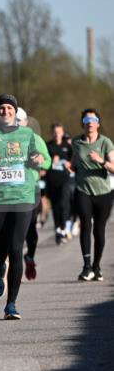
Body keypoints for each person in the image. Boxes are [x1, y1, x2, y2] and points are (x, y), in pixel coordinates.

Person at [0, 94, 50, 319]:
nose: (5, 111)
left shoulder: (27, 134)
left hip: (23, 197)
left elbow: (44, 159)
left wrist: (38, 161)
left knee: (16, 250)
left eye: (9, 108)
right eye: (2, 108)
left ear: (15, 111)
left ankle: (11, 304)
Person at [69, 109, 114, 281]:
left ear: (98, 123)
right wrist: (70, 167)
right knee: (85, 226)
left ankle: (97, 266)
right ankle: (86, 267)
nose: (89, 122)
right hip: (83, 190)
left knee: (99, 230)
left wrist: (101, 161)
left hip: (103, 192)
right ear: (82, 123)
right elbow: (74, 162)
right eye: (86, 119)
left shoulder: (105, 143)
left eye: (93, 119)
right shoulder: (76, 142)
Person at [15, 107, 43, 281]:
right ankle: (11, 269)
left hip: (31, 191)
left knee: (30, 230)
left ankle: (30, 256)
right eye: (14, 120)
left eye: (20, 120)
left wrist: (39, 160)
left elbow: (46, 160)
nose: (17, 123)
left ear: (26, 122)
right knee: (13, 232)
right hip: (10, 193)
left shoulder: (34, 139)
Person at [44, 123, 73, 244]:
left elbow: (74, 161)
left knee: (63, 202)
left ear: (62, 132)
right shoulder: (47, 145)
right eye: (55, 132)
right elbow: (43, 163)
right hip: (51, 181)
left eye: (59, 132)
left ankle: (63, 226)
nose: (57, 134)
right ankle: (58, 230)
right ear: (52, 133)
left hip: (65, 180)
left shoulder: (68, 146)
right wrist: (51, 162)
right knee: (55, 206)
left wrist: (69, 164)